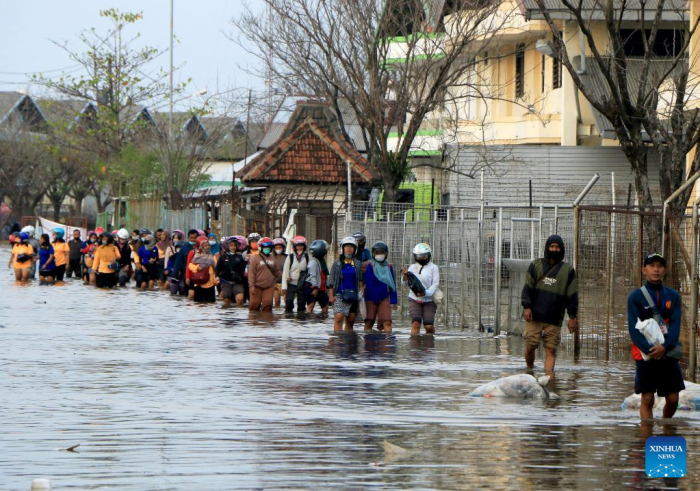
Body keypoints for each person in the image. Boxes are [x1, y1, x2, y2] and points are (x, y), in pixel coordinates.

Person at [628, 253, 684, 420]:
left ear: (664, 270)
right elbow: (633, 328)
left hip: (668, 352)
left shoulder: (673, 296)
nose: (656, 269)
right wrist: (651, 350)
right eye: (652, 266)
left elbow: (675, 325)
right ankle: (647, 439)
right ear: (644, 270)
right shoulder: (635, 297)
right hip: (646, 354)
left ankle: (666, 428)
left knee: (673, 398)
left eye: (659, 266)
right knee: (647, 398)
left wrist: (664, 348)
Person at [521, 235, 578, 375]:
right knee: (530, 347)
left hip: (554, 318)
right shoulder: (536, 265)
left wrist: (572, 317)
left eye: (557, 247)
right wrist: (526, 307)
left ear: (562, 249)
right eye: (552, 247)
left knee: (551, 349)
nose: (554, 250)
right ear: (547, 248)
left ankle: (549, 381)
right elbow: (527, 288)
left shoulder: (568, 271)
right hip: (535, 316)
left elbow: (572, 296)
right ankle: (530, 372)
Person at [401, 243, 440, 336]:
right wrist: (405, 275)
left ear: (428, 256)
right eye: (419, 256)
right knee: (416, 324)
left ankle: (430, 344)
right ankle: (414, 349)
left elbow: (435, 284)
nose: (421, 258)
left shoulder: (433, 268)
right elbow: (405, 283)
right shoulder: (412, 267)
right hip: (414, 299)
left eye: (424, 256)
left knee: (428, 326)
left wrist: (425, 293)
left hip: (429, 300)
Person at [328, 236, 365, 332]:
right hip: (339, 295)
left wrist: (361, 291)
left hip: (353, 295)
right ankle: (337, 341)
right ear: (343, 248)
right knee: (339, 317)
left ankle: (348, 342)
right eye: (347, 246)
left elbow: (360, 280)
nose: (349, 249)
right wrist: (331, 296)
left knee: (351, 320)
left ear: (355, 249)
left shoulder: (357, 264)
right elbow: (331, 282)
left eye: (351, 247)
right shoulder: (336, 264)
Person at [363, 241, 398, 333]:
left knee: (387, 322)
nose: (379, 255)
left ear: (386, 254)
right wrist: (374, 297)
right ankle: (368, 344)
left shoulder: (389, 267)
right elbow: (368, 282)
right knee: (369, 322)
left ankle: (387, 344)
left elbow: (392, 285)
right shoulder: (370, 266)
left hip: (384, 298)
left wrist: (394, 300)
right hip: (370, 298)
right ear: (373, 254)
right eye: (377, 253)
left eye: (381, 253)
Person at [248, 237, 282, 311]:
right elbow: (251, 274)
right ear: (261, 247)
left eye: (269, 247)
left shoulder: (273, 258)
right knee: (254, 306)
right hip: (257, 286)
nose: (267, 249)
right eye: (265, 247)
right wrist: (251, 286)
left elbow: (276, 271)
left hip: (269, 286)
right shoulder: (255, 258)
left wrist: (284, 279)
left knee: (267, 306)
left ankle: (267, 321)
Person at [216, 236, 247, 307]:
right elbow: (217, 269)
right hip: (226, 282)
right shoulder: (222, 257)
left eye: (234, 245)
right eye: (231, 245)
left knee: (240, 300)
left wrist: (246, 261)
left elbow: (243, 268)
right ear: (227, 246)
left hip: (237, 282)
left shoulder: (240, 257)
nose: (233, 247)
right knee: (226, 301)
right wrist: (217, 277)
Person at [282, 235, 309, 313]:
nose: (299, 248)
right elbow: (285, 272)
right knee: (289, 303)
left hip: (302, 284)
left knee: (301, 304)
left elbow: (309, 271)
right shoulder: (290, 257)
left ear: (304, 247)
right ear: (294, 247)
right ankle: (289, 319)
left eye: (301, 246)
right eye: (298, 246)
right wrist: (284, 287)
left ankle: (300, 320)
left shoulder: (307, 257)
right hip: (291, 284)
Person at [188, 236, 217, 302]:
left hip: (210, 284)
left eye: (208, 245)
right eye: (205, 245)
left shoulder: (212, 256)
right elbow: (190, 265)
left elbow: (215, 269)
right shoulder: (197, 256)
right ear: (201, 247)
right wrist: (197, 268)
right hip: (199, 284)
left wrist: (215, 280)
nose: (207, 247)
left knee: (210, 304)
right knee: (199, 304)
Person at [305, 240, 331, 316]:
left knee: (325, 307)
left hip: (321, 288)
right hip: (313, 287)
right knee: (310, 306)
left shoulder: (322, 261)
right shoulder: (313, 262)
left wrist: (327, 286)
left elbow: (324, 275)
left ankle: (321, 321)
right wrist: (315, 288)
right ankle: (310, 323)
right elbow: (313, 276)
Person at [272, 238, 287, 307]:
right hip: (275, 282)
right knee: (277, 301)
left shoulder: (287, 257)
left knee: (287, 301)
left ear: (283, 248)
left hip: (285, 282)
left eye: (280, 247)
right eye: (276, 247)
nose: (278, 249)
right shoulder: (271, 257)